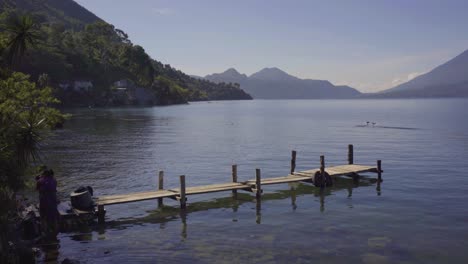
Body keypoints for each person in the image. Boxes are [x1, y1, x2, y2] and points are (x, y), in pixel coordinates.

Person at [36, 169, 59, 238]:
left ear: (44, 174)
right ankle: (56, 232)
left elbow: (37, 189)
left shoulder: (40, 180)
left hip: (44, 200)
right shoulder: (54, 180)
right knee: (54, 216)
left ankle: (44, 232)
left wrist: (38, 180)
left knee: (43, 217)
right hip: (53, 199)